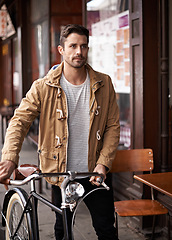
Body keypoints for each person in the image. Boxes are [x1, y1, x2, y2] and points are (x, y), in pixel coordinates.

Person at [0, 24, 120, 240]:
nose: (79, 52)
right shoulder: (43, 87)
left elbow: (112, 126)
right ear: (61, 49)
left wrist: (103, 163)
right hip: (60, 173)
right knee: (62, 230)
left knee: (106, 230)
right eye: (73, 46)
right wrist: (10, 158)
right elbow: (19, 121)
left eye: (83, 46)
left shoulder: (104, 83)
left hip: (95, 172)